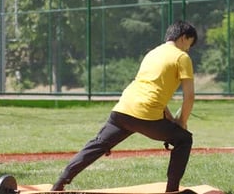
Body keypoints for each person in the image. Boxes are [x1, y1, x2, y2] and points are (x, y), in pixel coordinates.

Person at [51, 20, 197, 192]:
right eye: (190, 43)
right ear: (183, 37)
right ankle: (172, 190)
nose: (188, 48)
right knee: (184, 139)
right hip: (146, 115)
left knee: (97, 145)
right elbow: (189, 97)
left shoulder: (153, 53)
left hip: (123, 109)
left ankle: (60, 182)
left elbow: (149, 89)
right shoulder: (181, 57)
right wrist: (181, 123)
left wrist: (171, 120)